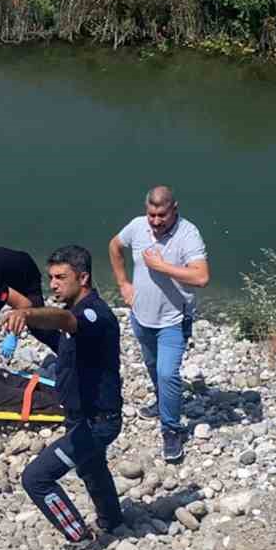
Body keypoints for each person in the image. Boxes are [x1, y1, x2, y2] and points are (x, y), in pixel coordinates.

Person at [4, 245, 123, 550]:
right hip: (80, 419)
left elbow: (65, 320)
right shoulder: (75, 316)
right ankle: (112, 519)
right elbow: (59, 335)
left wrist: (29, 314)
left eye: (60, 277)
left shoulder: (92, 315)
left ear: (83, 278)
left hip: (97, 423)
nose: (53, 284)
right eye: (51, 278)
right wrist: (18, 307)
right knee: (91, 467)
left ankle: (80, 538)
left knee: (36, 478)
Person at [109, 186, 209, 464]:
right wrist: (123, 284)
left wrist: (161, 266)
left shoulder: (188, 234)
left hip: (174, 320)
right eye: (151, 214)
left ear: (174, 209)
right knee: (153, 366)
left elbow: (201, 277)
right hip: (141, 316)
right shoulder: (137, 227)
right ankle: (163, 401)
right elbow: (114, 246)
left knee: (167, 373)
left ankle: (171, 429)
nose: (155, 221)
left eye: (161, 215)